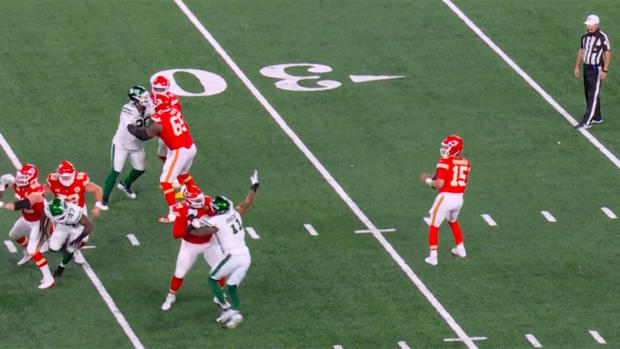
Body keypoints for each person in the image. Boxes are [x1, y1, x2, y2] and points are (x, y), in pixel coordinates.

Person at [191, 170, 259, 329]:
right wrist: (254, 187)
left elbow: (203, 231)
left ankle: (228, 309)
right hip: (246, 257)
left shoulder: (217, 220)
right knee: (232, 285)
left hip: (233, 256)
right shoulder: (235, 213)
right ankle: (235, 311)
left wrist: (192, 228)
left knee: (212, 278)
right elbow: (246, 203)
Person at [127, 93, 197, 223]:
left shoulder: (159, 123)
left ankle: (173, 213)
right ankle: (199, 200)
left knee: (165, 180)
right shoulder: (174, 110)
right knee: (184, 173)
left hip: (179, 150)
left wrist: (130, 126)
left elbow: (144, 135)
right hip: (190, 145)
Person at [160, 184, 226, 311]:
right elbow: (176, 234)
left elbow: (217, 214)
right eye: (196, 200)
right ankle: (171, 295)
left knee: (221, 269)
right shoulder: (181, 210)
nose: (200, 202)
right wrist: (190, 227)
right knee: (179, 273)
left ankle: (220, 294)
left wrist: (217, 213)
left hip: (209, 242)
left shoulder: (207, 201)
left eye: (200, 198)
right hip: (190, 245)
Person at [0, 164, 55, 289]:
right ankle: (28, 254)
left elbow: (20, 205)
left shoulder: (36, 191)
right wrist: (1, 185)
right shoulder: (18, 182)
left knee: (33, 249)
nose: (20, 179)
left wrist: (2, 205)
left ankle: (49, 278)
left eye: (24, 177)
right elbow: (2, 192)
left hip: (40, 221)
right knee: (14, 234)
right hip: (27, 218)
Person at [421, 136, 470, 266]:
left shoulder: (444, 161)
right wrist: (435, 178)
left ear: (453, 149)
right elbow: (451, 177)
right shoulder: (466, 162)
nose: (443, 149)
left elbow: (440, 184)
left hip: (446, 198)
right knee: (452, 221)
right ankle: (461, 249)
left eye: (446, 147)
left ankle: (433, 257)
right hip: (459, 198)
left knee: (434, 225)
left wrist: (428, 180)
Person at [102, 85, 153, 209]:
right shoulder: (128, 109)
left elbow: (156, 118)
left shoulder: (150, 106)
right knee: (115, 171)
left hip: (136, 145)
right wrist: (144, 134)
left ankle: (125, 184)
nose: (146, 99)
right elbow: (131, 128)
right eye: (142, 97)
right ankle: (104, 200)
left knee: (140, 169)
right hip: (121, 145)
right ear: (135, 99)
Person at [574, 14, 611, 129]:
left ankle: (587, 121)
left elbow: (607, 53)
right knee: (588, 92)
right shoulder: (584, 37)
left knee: (593, 94)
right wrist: (577, 66)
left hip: (596, 68)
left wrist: (605, 69)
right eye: (587, 25)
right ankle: (597, 116)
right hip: (587, 67)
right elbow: (581, 51)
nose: (588, 27)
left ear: (596, 24)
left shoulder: (602, 37)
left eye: (590, 25)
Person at [43, 197, 94, 280]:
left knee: (71, 249)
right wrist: (43, 230)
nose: (60, 217)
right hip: (62, 226)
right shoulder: (48, 209)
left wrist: (78, 239)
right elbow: (43, 215)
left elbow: (89, 226)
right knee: (53, 247)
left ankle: (61, 267)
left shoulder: (75, 212)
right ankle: (65, 248)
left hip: (77, 227)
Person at [150, 75, 182, 164]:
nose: (158, 92)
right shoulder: (151, 97)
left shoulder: (172, 99)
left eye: (161, 89)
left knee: (175, 156)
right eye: (156, 89)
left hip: (172, 131)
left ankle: (174, 173)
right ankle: (170, 170)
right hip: (162, 131)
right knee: (162, 153)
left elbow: (175, 113)